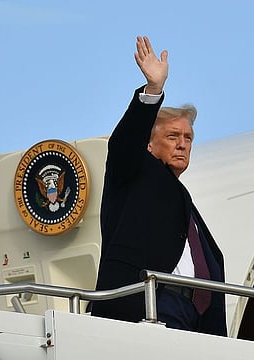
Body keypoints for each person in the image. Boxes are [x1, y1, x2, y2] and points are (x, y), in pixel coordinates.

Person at [91, 36, 227, 336]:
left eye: (188, 138)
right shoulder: (134, 173)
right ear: (149, 146)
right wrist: (153, 91)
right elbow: (124, 144)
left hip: (196, 321)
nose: (182, 144)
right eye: (172, 136)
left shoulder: (183, 202)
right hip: (151, 308)